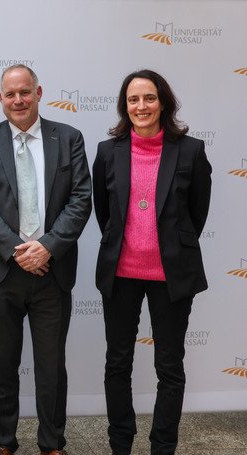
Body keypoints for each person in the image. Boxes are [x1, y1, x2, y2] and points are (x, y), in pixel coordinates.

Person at [0, 64, 92, 455]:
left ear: (39, 93)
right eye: (10, 94)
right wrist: (19, 251)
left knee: (52, 368)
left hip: (52, 272)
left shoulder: (68, 138)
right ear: (0, 99)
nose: (18, 100)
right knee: (2, 366)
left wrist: (48, 246)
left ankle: (52, 444)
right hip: (1, 272)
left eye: (25, 92)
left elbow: (80, 199)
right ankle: (3, 442)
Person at [93, 69, 212, 455]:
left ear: (163, 102)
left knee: (169, 368)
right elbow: (104, 212)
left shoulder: (191, 150)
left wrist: (168, 247)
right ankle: (121, 445)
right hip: (121, 275)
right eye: (133, 100)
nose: (140, 106)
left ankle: (163, 446)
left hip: (170, 277)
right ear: (124, 106)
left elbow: (196, 215)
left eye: (148, 98)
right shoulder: (107, 152)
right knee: (117, 364)